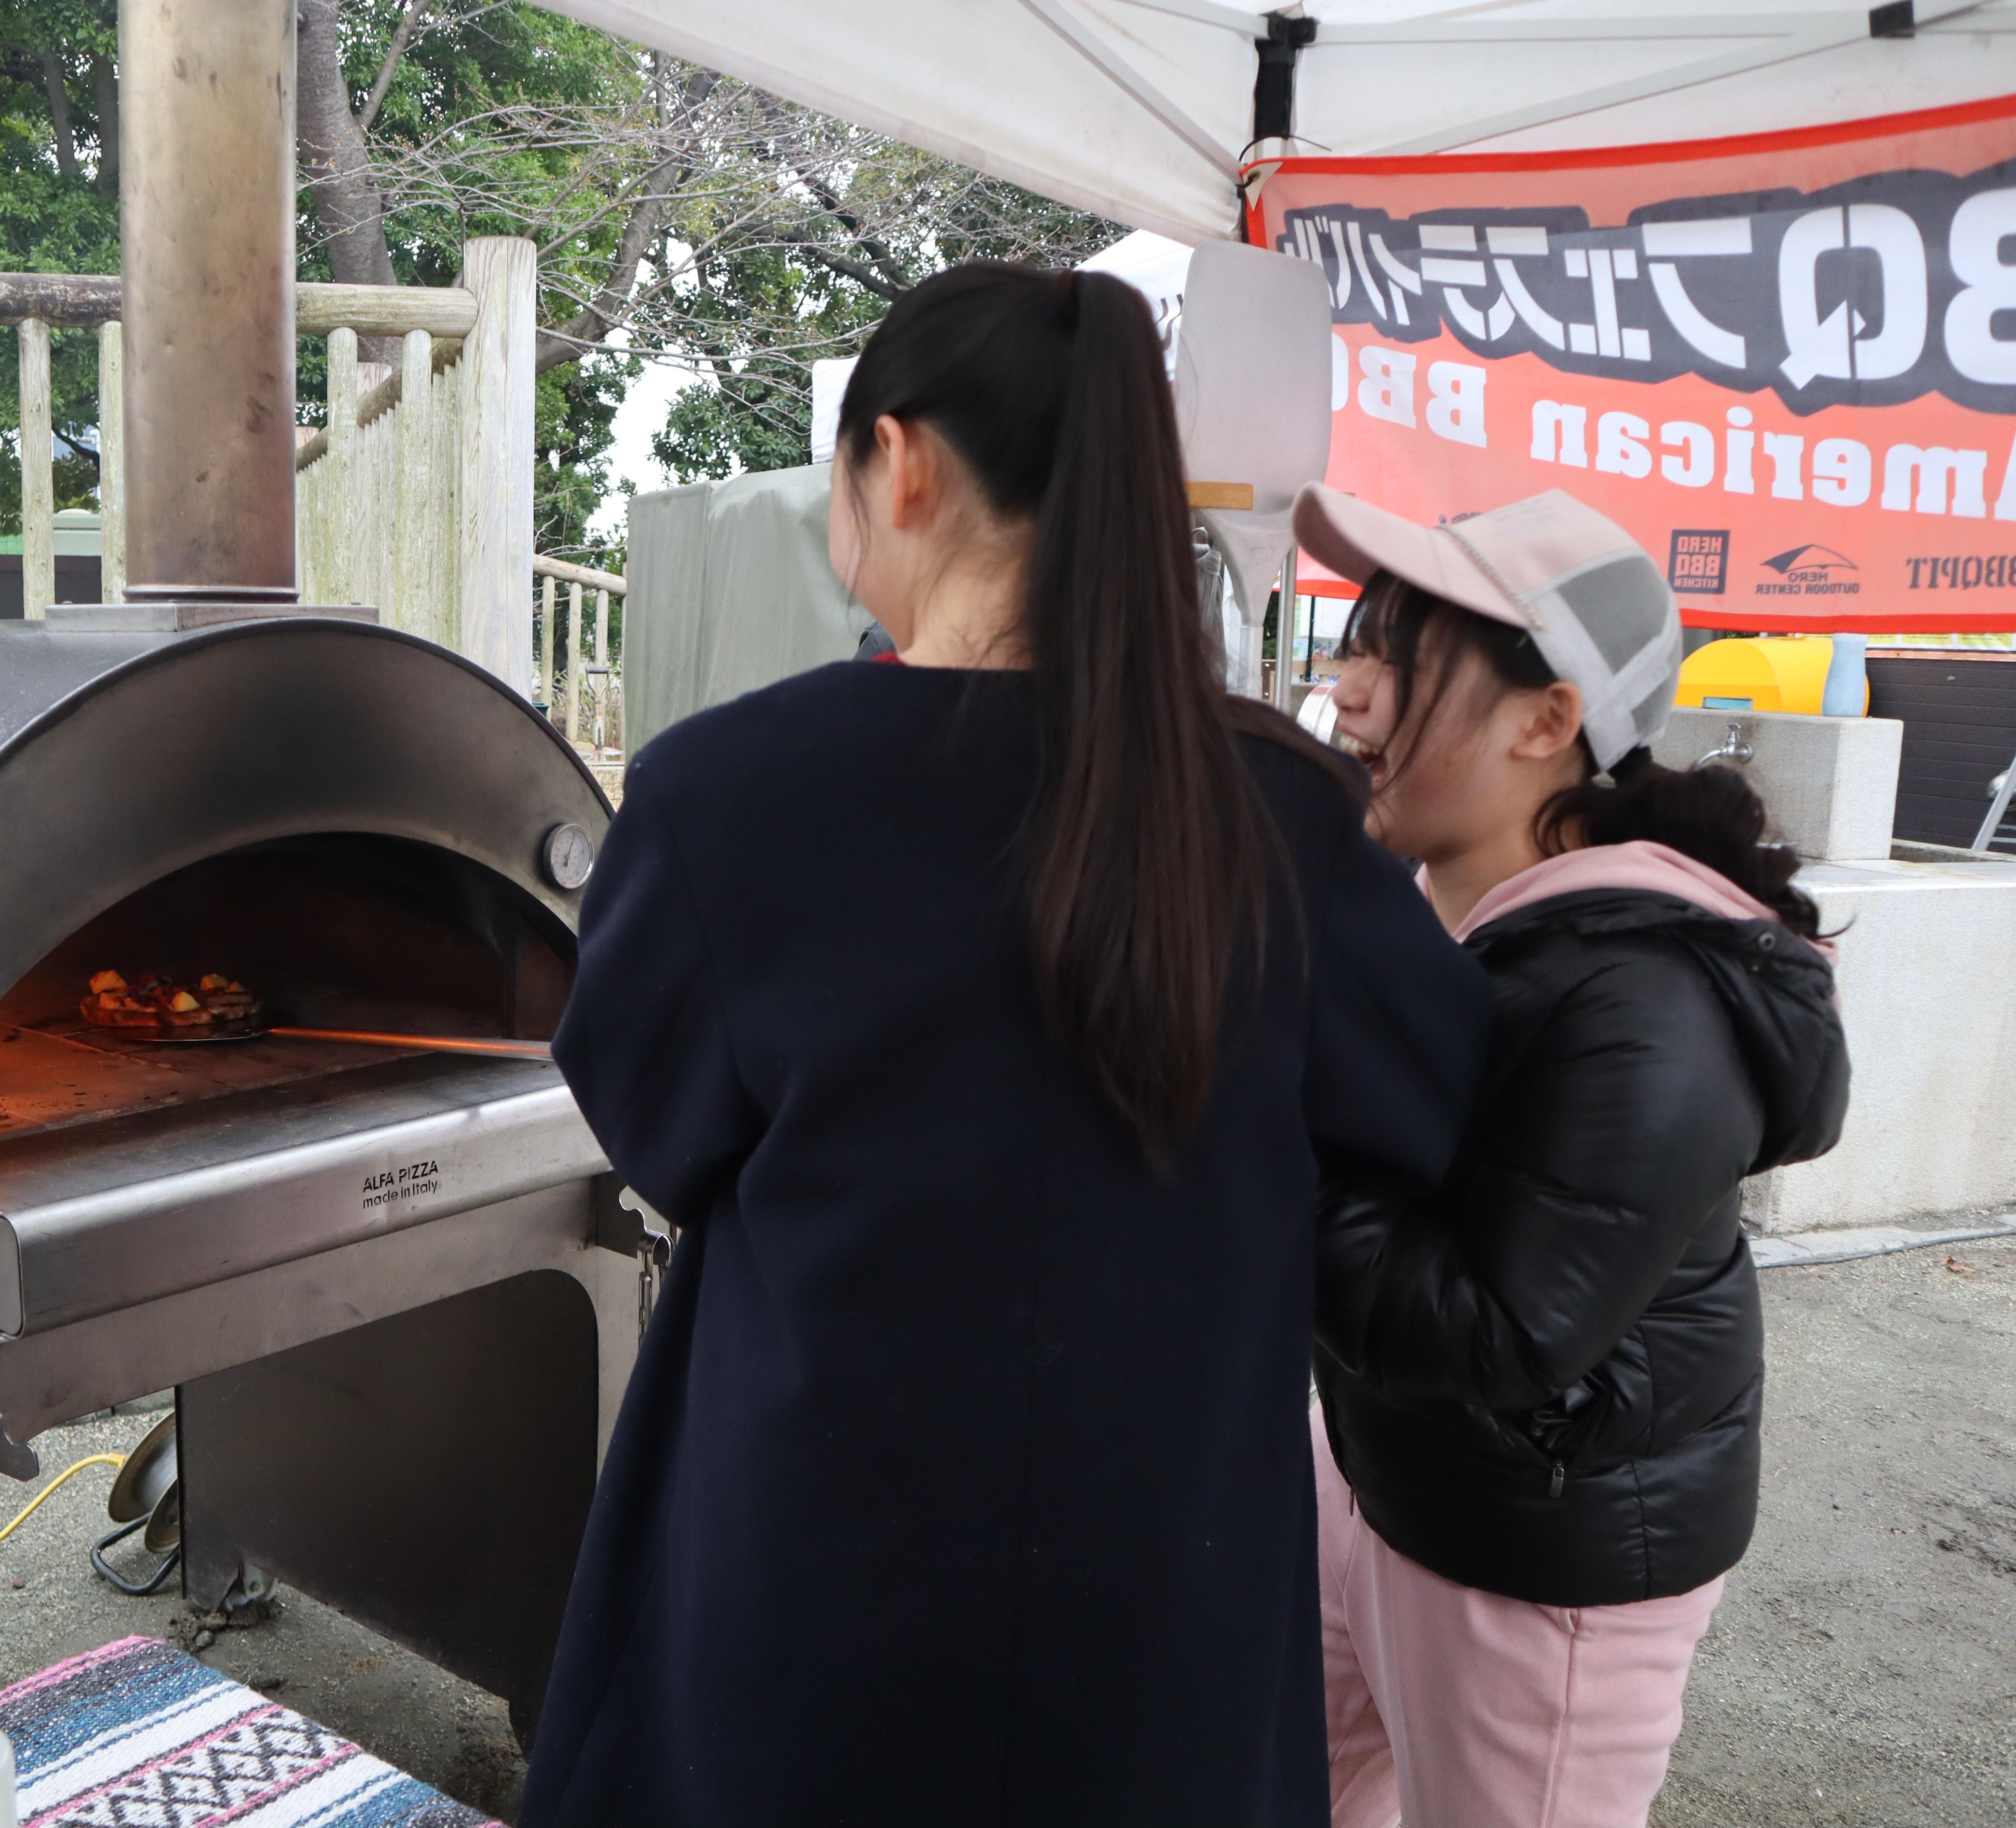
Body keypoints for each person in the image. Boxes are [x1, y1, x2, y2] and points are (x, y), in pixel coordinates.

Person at [517, 263, 1492, 1826]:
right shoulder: (1284, 817)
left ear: (896, 464)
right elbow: (1433, 1109)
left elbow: (658, 1129)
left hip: (814, 1579)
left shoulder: (729, 797)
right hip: (1167, 1597)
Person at [1294, 484, 1851, 1828]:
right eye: (1354, 643)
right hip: (1382, 1473)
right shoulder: (1430, 906)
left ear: (1549, 722)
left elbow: (1501, 1326)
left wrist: (1257, 1129)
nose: (1346, 690)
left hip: (1543, 1560)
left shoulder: (1643, 997)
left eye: (1398, 654)